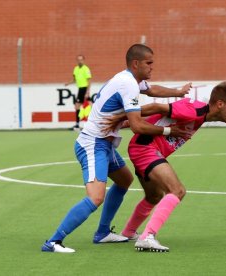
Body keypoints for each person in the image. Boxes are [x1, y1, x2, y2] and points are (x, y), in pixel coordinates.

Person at [42, 44, 192, 253]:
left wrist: (178, 92)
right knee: (95, 197)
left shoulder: (128, 79)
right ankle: (53, 241)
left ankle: (102, 233)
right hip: (93, 144)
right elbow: (138, 125)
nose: (152, 67)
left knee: (124, 180)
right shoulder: (128, 84)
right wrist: (168, 131)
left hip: (105, 144)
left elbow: (152, 89)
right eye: (149, 63)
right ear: (136, 63)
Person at [110, 81, 226, 252]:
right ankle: (147, 236)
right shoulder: (194, 110)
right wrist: (124, 117)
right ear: (219, 104)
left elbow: (159, 118)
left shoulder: (200, 113)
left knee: (154, 196)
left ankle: (128, 232)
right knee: (177, 190)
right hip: (145, 149)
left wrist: (126, 122)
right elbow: (158, 107)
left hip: (143, 149)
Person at [65, 55, 92, 130]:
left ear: (83, 60)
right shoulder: (76, 69)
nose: (80, 61)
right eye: (78, 60)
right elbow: (74, 80)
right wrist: (68, 83)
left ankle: (90, 124)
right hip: (80, 89)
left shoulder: (86, 69)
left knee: (89, 107)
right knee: (78, 106)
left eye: (81, 60)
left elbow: (89, 81)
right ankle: (77, 125)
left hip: (84, 88)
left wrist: (87, 92)